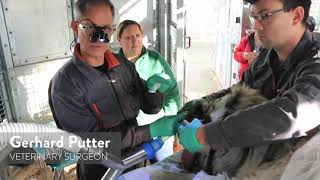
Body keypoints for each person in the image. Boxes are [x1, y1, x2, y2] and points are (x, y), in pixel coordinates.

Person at [178, 0, 320, 174]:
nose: (257, 26)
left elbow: (292, 114)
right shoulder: (265, 59)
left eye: (265, 16)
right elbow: (240, 90)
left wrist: (206, 135)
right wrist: (203, 104)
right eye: (254, 17)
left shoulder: (315, 65)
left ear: (296, 15)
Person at [48, 0, 183, 179]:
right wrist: (150, 131)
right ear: (75, 27)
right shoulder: (65, 85)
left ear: (111, 31)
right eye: (89, 27)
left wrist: (154, 91)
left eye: (105, 29)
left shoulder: (122, 67)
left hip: (136, 162)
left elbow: (150, 108)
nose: (98, 37)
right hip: (102, 172)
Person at [116, 20, 181, 160]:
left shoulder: (155, 60)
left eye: (138, 35)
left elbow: (172, 92)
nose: (135, 41)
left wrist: (171, 125)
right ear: (119, 40)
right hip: (129, 135)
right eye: (128, 37)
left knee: (163, 170)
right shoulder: (114, 65)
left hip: (158, 130)